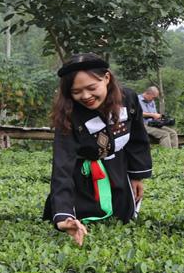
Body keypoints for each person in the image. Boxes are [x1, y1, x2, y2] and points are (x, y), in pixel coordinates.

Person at [44, 54, 153, 246]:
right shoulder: (68, 115)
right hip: (83, 180)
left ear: (107, 78)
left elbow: (138, 140)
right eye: (76, 91)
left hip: (118, 171)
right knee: (84, 216)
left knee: (123, 218)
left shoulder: (129, 100)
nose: (85, 96)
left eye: (92, 88)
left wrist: (136, 177)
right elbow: (62, 167)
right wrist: (64, 217)